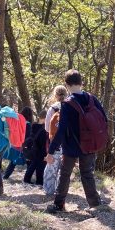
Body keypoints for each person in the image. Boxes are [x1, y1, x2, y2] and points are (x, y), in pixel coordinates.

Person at [45, 70, 106, 213]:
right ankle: (95, 203)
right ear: (81, 83)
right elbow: (104, 119)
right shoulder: (92, 99)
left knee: (65, 174)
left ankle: (59, 204)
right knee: (87, 173)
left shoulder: (66, 104)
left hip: (71, 146)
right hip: (89, 144)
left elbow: (61, 130)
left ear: (66, 85)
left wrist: (51, 151)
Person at [43, 86, 68, 195]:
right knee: (63, 171)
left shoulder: (52, 108)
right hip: (67, 146)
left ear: (55, 95)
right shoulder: (70, 106)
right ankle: (61, 192)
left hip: (54, 145)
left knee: (50, 170)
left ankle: (49, 192)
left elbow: (47, 129)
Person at [3, 106, 31, 179]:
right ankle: (27, 178)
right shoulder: (27, 124)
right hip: (23, 145)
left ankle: (6, 176)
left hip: (15, 142)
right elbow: (28, 136)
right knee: (29, 162)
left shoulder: (17, 120)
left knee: (13, 161)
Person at [23, 109, 48, 185]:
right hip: (41, 149)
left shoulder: (34, 125)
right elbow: (43, 140)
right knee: (40, 166)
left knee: (34, 164)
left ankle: (27, 179)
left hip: (34, 148)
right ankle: (39, 182)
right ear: (45, 118)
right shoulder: (44, 128)